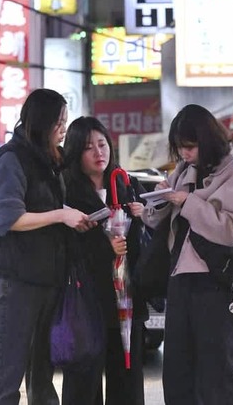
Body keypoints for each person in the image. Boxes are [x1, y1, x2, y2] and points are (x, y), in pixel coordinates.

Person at [0, 88, 93, 405]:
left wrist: (73, 219)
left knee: (42, 379)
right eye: (59, 122)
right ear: (42, 121)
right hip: (16, 284)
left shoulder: (48, 161)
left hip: (48, 282)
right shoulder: (12, 160)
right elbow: (6, 218)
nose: (63, 128)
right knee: (4, 378)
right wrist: (60, 215)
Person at [142, 104, 233, 405]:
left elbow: (231, 229)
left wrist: (187, 201)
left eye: (190, 147)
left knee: (216, 370)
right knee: (177, 370)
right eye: (180, 148)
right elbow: (161, 223)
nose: (185, 154)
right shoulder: (184, 170)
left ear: (207, 140)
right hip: (180, 279)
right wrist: (159, 200)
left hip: (215, 281)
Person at [61, 116, 147, 405]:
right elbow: (65, 244)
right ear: (75, 152)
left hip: (126, 297)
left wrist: (142, 215)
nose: (99, 152)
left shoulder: (126, 183)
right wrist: (103, 243)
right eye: (89, 147)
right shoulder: (67, 190)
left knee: (127, 377)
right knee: (84, 380)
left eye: (102, 144)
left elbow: (143, 239)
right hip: (86, 299)